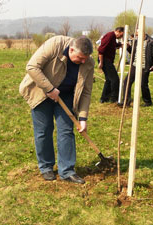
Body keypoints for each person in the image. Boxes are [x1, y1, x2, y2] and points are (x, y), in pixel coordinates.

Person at [19, 35, 95, 184]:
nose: (83, 61)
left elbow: (86, 91)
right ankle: (46, 167)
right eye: (80, 58)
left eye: (86, 58)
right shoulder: (55, 44)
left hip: (66, 97)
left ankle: (67, 170)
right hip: (41, 92)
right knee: (44, 130)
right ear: (71, 49)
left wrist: (83, 117)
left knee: (66, 131)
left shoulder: (89, 63)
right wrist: (49, 89)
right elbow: (32, 67)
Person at [120, 33, 153, 107]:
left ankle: (148, 101)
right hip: (135, 65)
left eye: (137, 33)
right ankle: (126, 102)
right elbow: (133, 52)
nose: (136, 35)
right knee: (127, 82)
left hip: (145, 66)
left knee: (143, 84)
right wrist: (128, 47)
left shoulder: (151, 41)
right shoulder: (136, 41)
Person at [98, 27, 124, 103]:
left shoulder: (113, 37)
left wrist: (120, 45)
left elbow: (114, 45)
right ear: (118, 32)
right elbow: (101, 50)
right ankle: (114, 98)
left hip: (107, 60)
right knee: (115, 79)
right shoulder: (110, 35)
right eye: (121, 35)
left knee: (109, 80)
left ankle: (104, 98)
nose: (121, 37)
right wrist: (101, 62)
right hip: (105, 60)